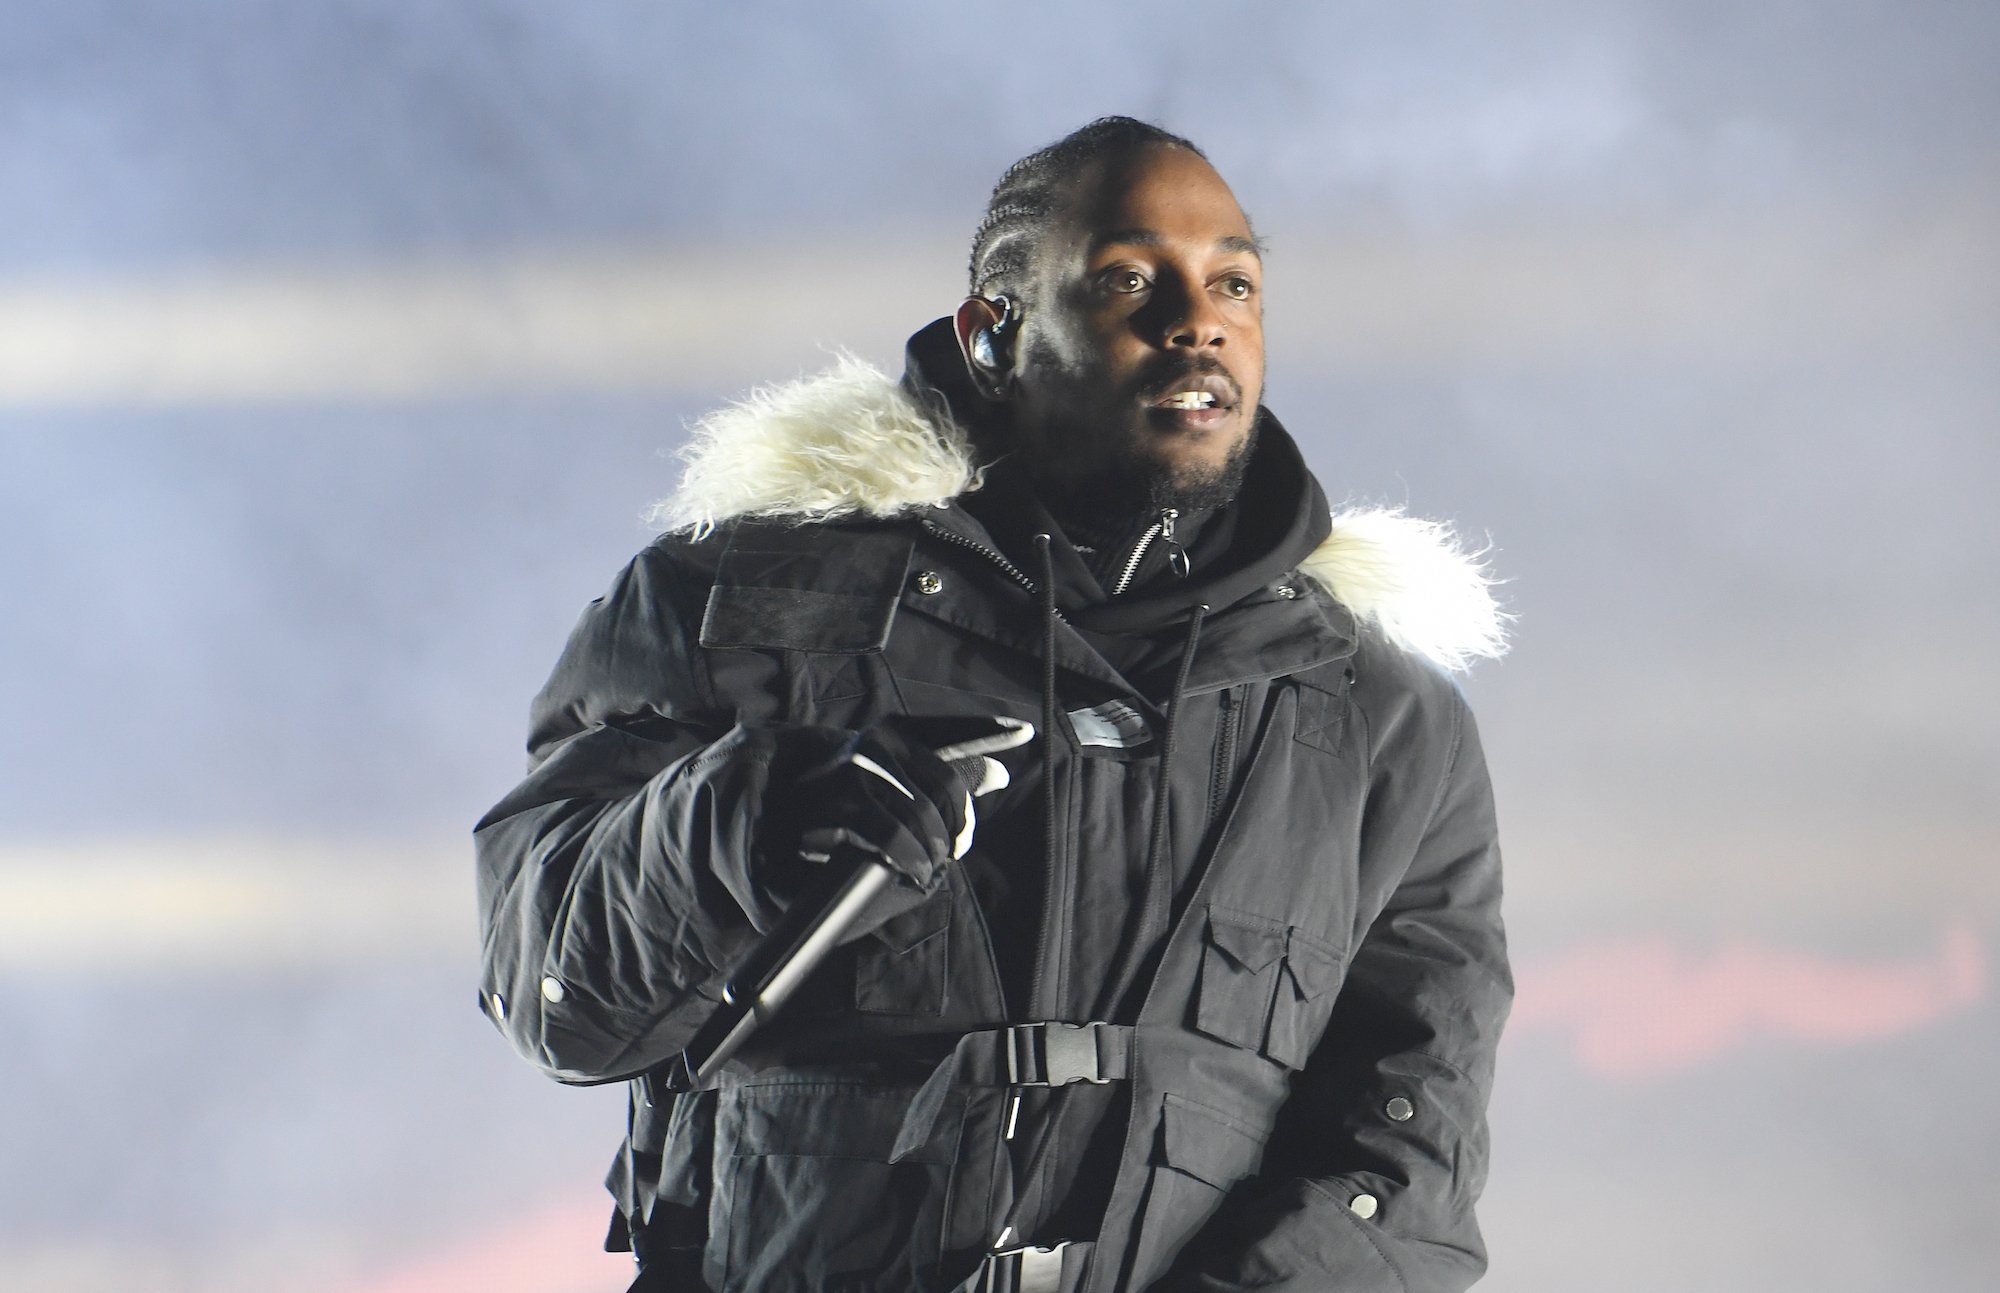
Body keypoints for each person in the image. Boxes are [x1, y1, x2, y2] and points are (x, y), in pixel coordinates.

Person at [475, 117, 1511, 1293]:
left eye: (1233, 282)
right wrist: (748, 823)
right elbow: (553, 990)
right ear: (992, 332)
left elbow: (1407, 1148)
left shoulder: (1378, 720)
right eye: (1128, 279)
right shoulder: (730, 603)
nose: (1197, 319)